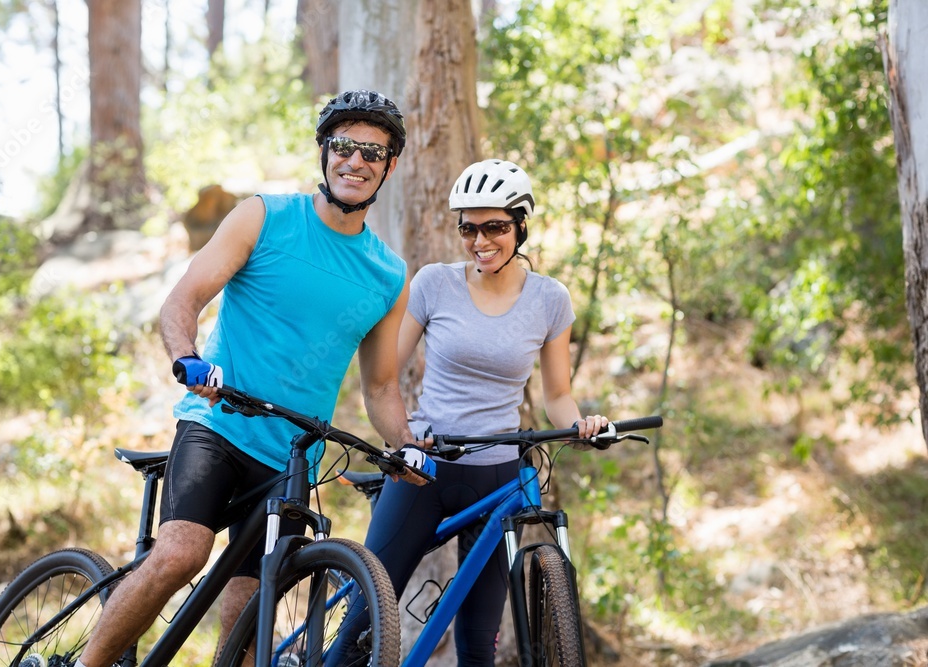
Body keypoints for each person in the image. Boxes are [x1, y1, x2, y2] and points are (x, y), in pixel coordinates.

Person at [68, 90, 427, 667]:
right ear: (324, 153)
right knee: (182, 554)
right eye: (343, 147)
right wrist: (187, 358)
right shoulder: (264, 216)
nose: (355, 162)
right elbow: (182, 300)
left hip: (292, 456)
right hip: (218, 425)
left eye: (372, 152)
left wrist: (404, 446)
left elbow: (381, 386)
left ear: (388, 166)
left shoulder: (388, 274)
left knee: (251, 599)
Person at [330, 159, 610, 667]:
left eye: (495, 227)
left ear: (521, 225)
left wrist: (583, 424)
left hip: (498, 474)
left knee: (479, 644)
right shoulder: (436, 283)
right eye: (468, 228)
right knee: (362, 622)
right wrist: (402, 437)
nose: (481, 240)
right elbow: (385, 373)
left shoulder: (550, 299)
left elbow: (558, 396)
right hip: (425, 466)